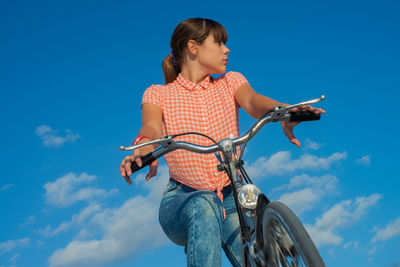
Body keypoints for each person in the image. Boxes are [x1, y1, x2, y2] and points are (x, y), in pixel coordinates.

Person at [120, 18, 325, 267]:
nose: (226, 50)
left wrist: (283, 111)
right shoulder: (158, 93)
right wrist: (144, 147)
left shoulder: (231, 82)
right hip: (182, 198)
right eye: (218, 43)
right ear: (193, 47)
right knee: (204, 205)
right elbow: (151, 127)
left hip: (230, 194)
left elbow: (252, 101)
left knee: (260, 257)